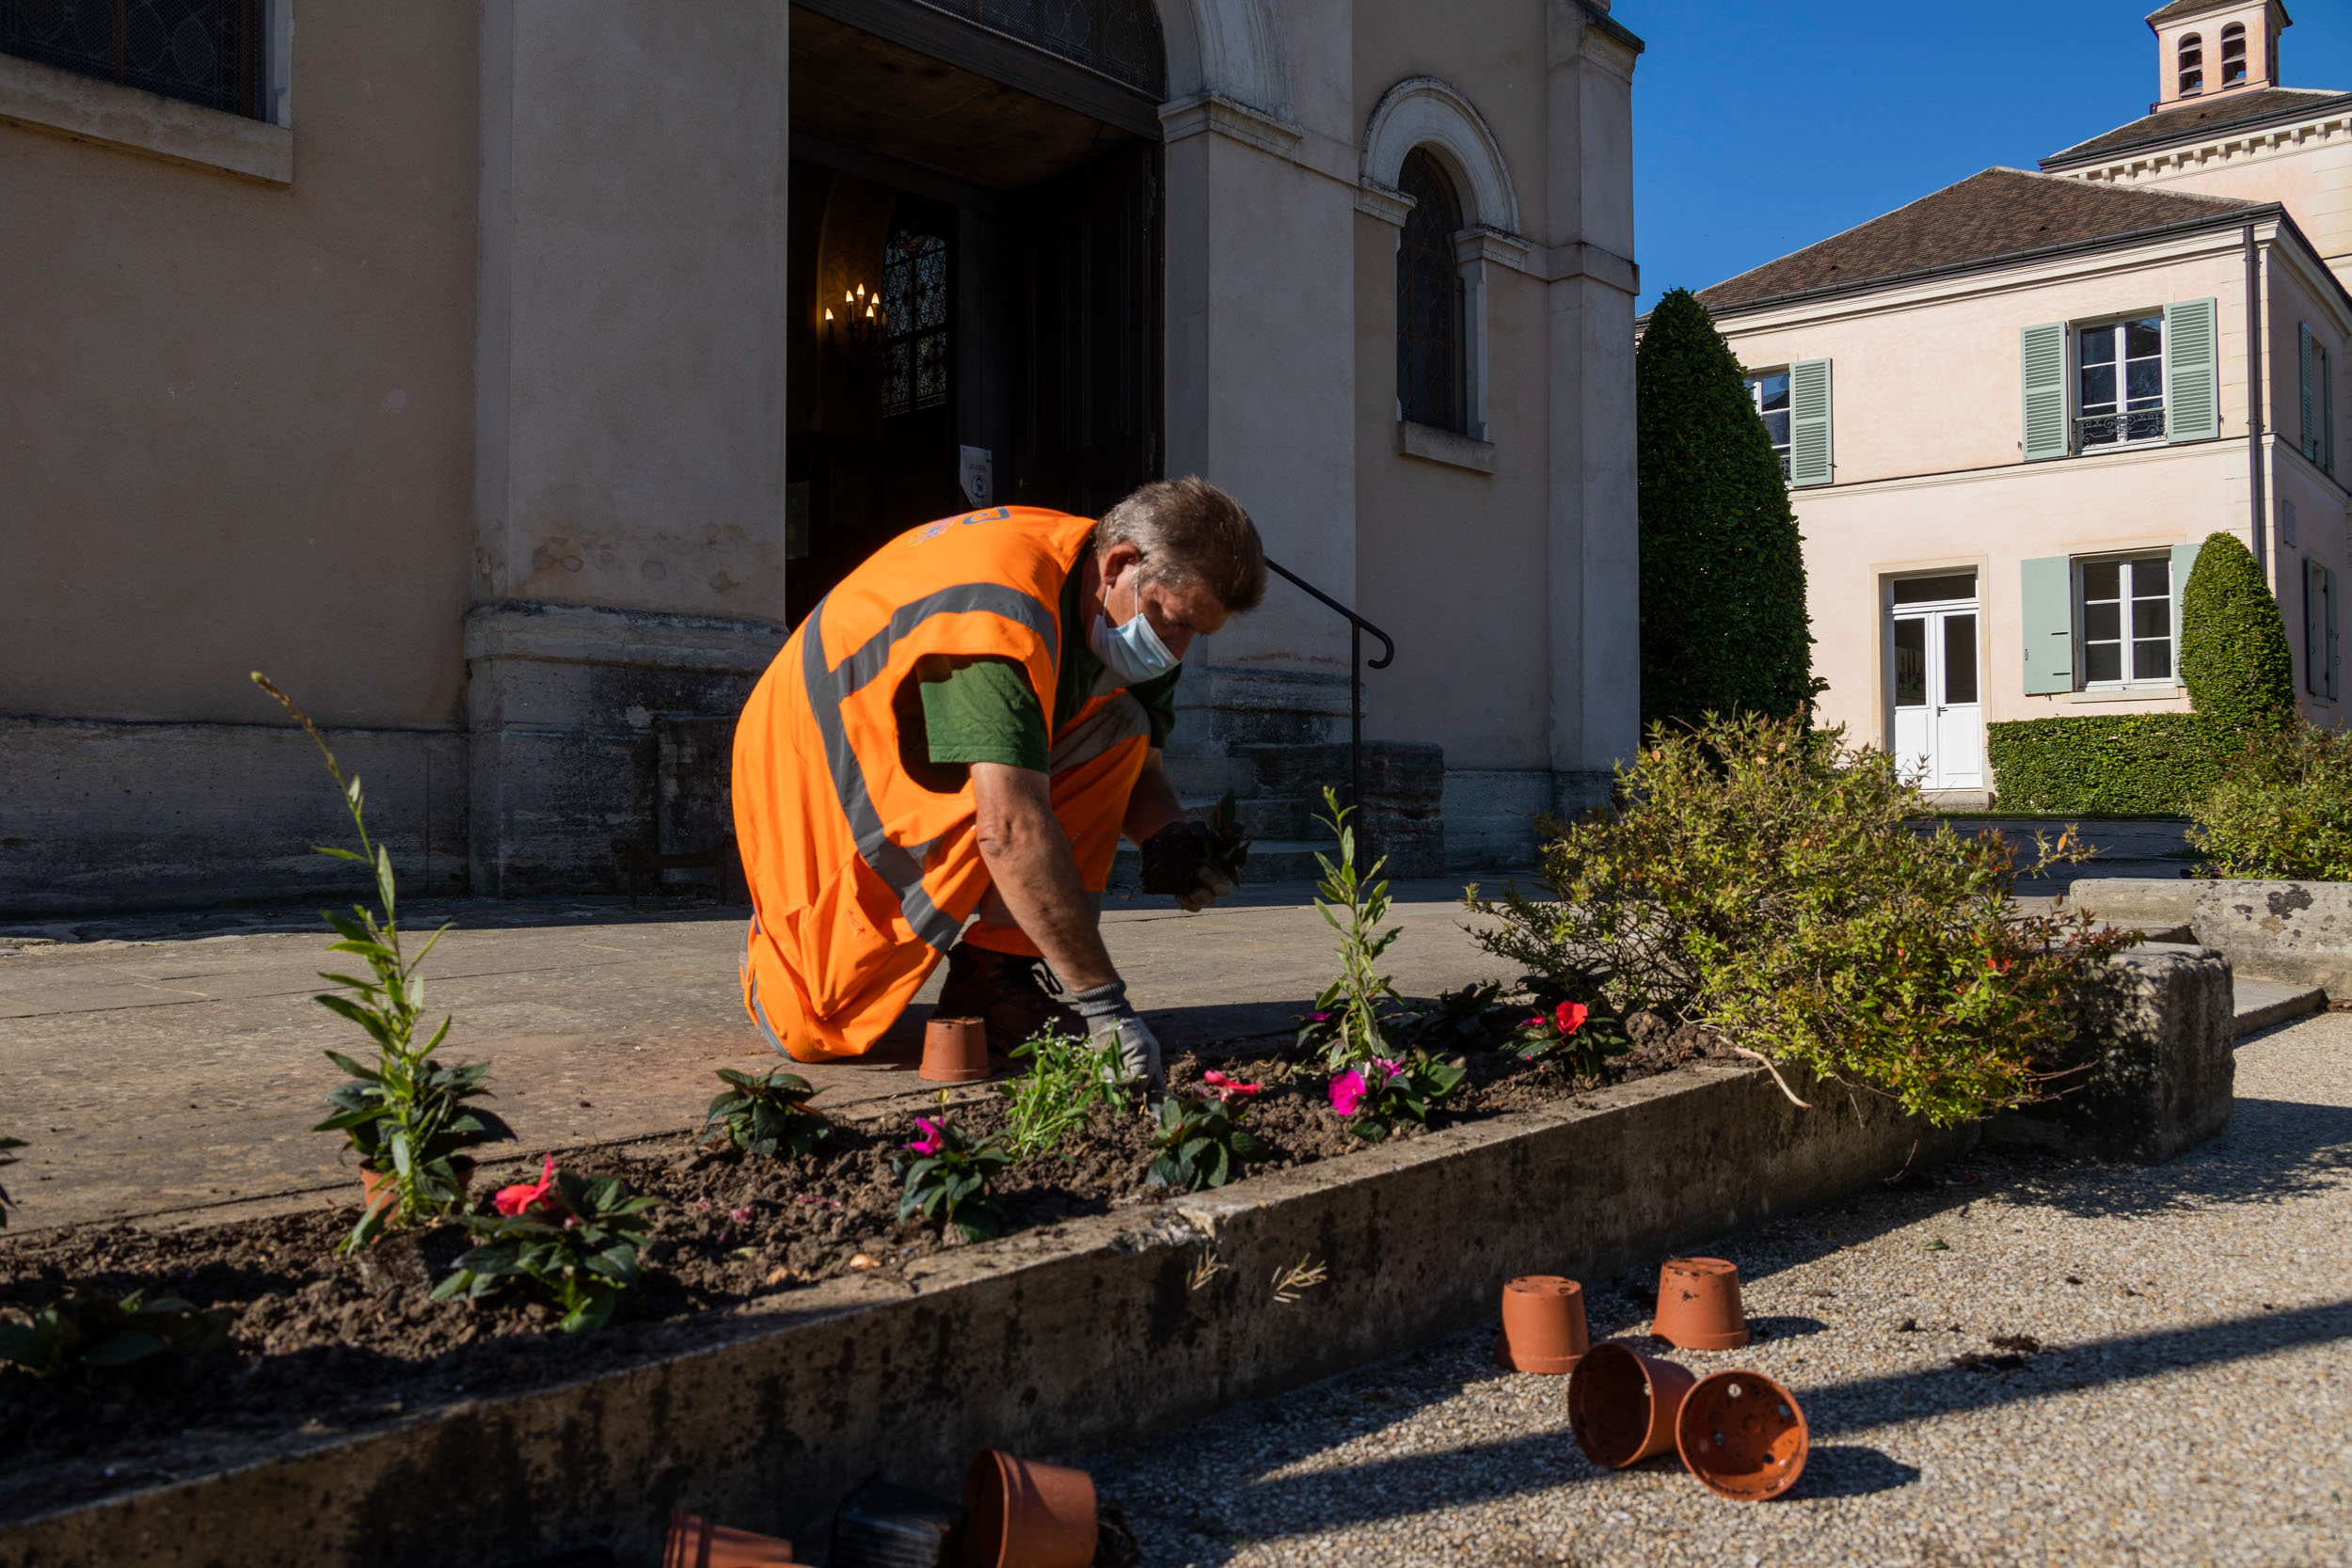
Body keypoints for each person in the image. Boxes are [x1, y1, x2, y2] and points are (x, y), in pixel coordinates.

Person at [732, 478, 1267, 1088]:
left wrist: (1169, 837)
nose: (1176, 650)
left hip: (922, 749)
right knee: (814, 1022)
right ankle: (778, 956)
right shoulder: (999, 604)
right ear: (1119, 565)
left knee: (1124, 724)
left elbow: (1133, 763)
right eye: (1171, 623)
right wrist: (1105, 1005)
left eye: (1197, 633)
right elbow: (1009, 829)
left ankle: (995, 980)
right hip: (817, 767)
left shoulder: (1123, 609)